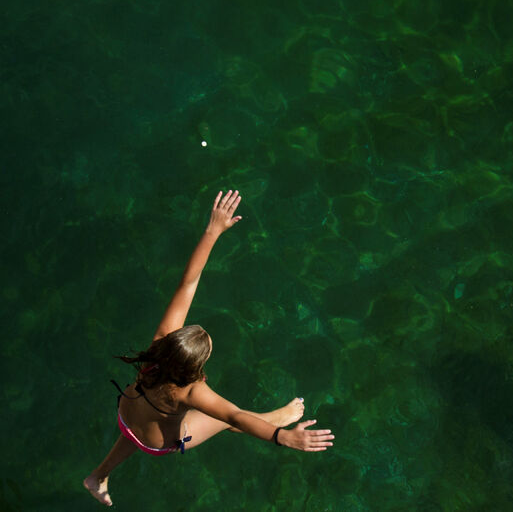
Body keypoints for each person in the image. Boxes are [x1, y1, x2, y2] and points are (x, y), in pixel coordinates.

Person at [83, 190, 334, 506]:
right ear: (193, 370)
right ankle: (277, 416)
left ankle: (99, 475)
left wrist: (212, 230)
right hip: (159, 442)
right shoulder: (191, 393)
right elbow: (237, 416)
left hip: (126, 415)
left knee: (135, 431)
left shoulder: (159, 344)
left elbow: (186, 283)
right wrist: (285, 438)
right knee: (227, 420)